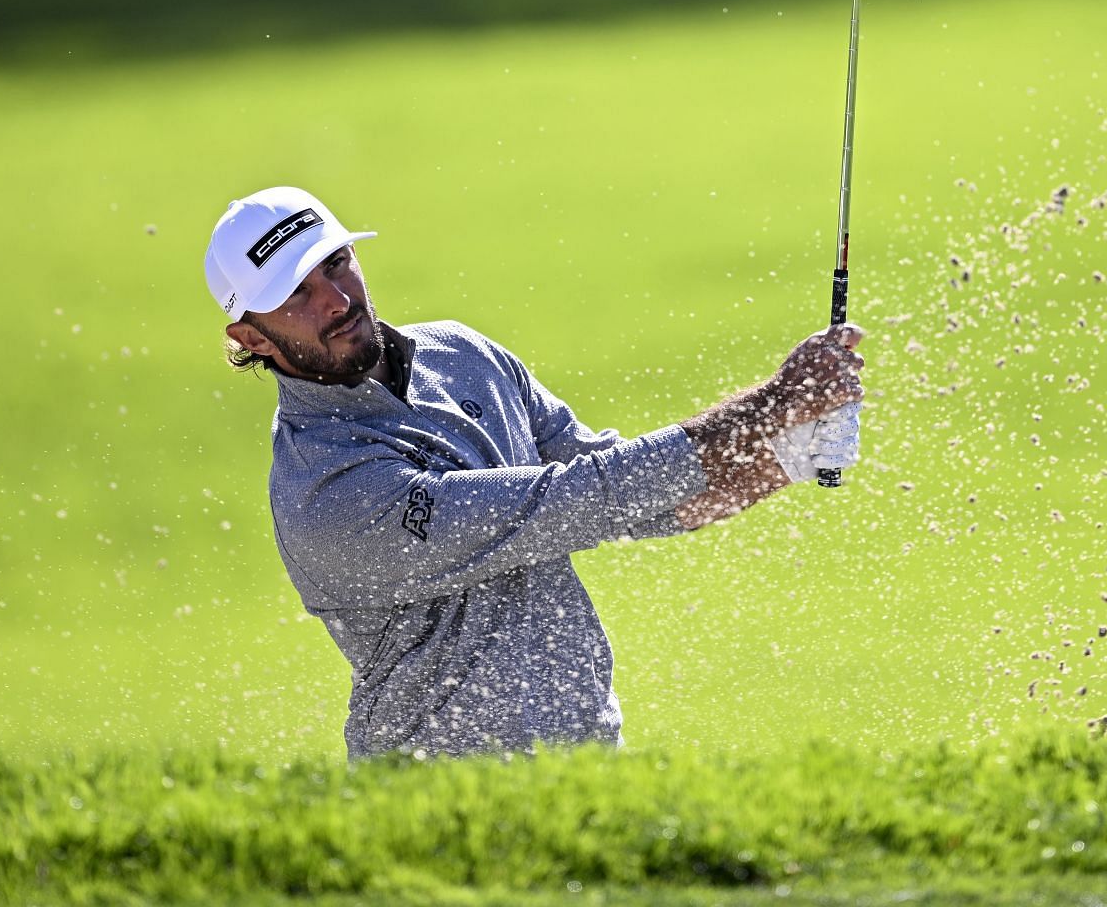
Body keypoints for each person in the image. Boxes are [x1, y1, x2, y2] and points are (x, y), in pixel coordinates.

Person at [203, 185, 863, 759]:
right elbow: (577, 500)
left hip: (586, 766)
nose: (336, 300)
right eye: (297, 293)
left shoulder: (461, 354)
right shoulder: (328, 491)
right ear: (251, 339)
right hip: (439, 807)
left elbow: (637, 495)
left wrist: (788, 455)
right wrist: (775, 405)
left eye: (337, 263)